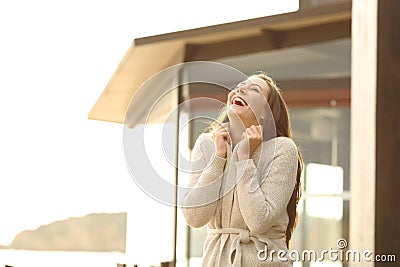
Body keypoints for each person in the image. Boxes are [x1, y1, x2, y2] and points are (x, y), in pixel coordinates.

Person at [182, 72, 303, 266]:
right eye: (239, 86)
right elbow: (194, 217)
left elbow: (258, 221)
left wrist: (244, 160)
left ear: (266, 112)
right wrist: (218, 159)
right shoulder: (208, 143)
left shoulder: (282, 149)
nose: (240, 89)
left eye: (254, 89)